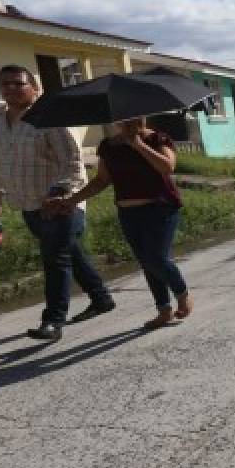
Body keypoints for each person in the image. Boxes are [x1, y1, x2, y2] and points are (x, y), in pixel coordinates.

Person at [0, 65, 115, 341]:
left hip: (61, 204)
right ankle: (101, 298)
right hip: (27, 204)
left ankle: (53, 322)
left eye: (19, 84)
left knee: (55, 259)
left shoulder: (51, 118)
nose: (11, 89)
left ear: (35, 88)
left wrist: (59, 193)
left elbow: (72, 161)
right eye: (5, 84)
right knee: (71, 254)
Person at [58, 117, 193, 330]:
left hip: (160, 208)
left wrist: (138, 145)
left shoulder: (158, 139)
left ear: (143, 117)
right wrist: (71, 201)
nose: (130, 122)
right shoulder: (109, 146)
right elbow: (102, 180)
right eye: (124, 119)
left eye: (136, 117)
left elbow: (167, 167)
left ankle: (182, 294)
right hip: (128, 212)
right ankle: (164, 310)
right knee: (146, 261)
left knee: (156, 258)